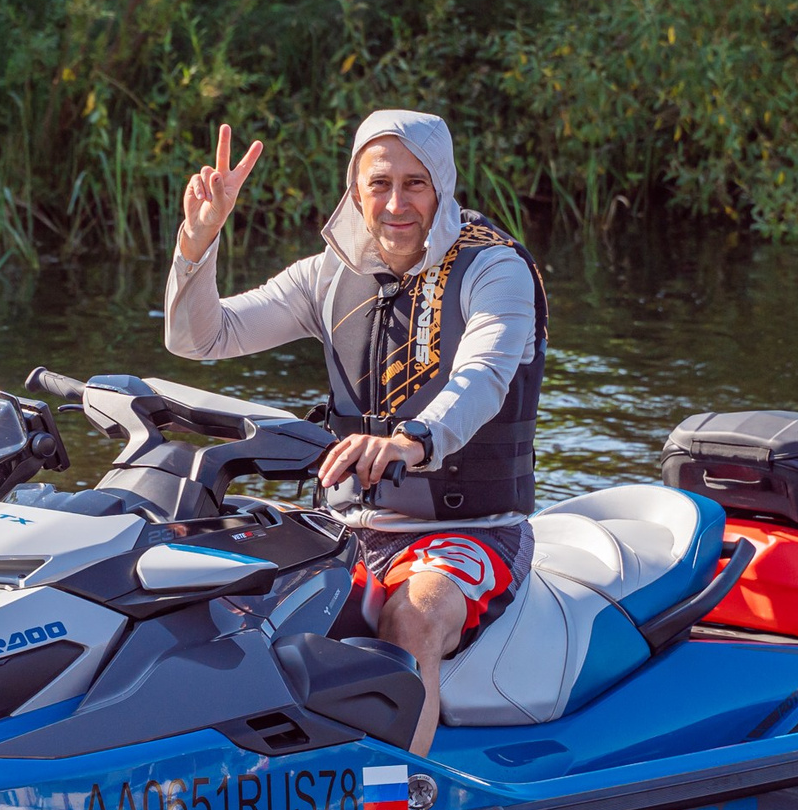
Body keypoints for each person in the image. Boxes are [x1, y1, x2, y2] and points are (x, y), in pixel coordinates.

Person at [163, 109, 547, 756]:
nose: (396, 203)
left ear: (443, 185)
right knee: (209, 594)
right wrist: (197, 247)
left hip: (467, 532)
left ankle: (398, 805)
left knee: (412, 618)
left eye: (415, 183)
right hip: (348, 530)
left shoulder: (494, 271)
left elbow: (482, 375)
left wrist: (412, 440)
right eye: (379, 183)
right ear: (354, 188)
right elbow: (201, 337)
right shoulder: (328, 275)